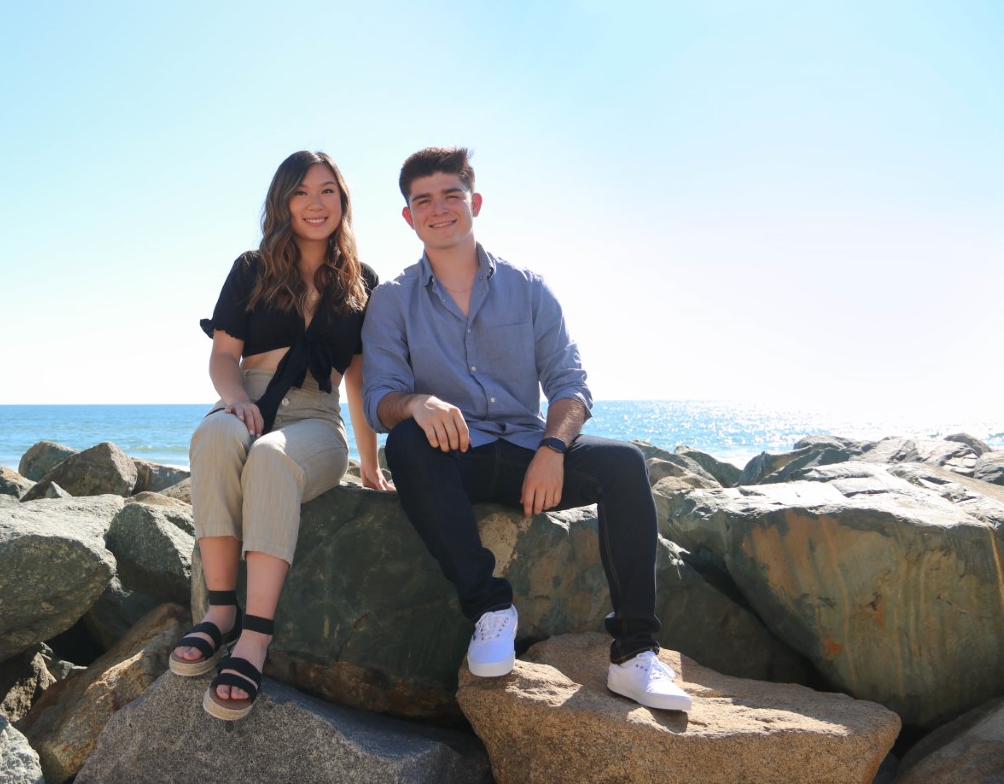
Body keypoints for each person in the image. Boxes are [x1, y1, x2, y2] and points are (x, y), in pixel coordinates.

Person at [361, 146, 692, 712]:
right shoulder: (391, 300)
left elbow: (571, 383)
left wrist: (553, 448)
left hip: (525, 453)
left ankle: (634, 653)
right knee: (408, 441)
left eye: (451, 195)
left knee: (624, 464)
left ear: (475, 203)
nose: (439, 209)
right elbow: (378, 401)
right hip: (454, 456)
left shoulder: (529, 288)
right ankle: (491, 609)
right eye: (424, 201)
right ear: (408, 216)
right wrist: (417, 403)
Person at [171, 150, 391, 721]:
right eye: (301, 192)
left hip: (316, 419)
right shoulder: (252, 267)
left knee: (271, 457)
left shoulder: (363, 281)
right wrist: (236, 400)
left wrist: (370, 464)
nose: (315, 204)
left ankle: (255, 637)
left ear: (343, 200)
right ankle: (221, 612)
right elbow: (224, 356)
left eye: (327, 191)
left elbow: (359, 381)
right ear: (282, 202)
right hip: (247, 398)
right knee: (215, 438)